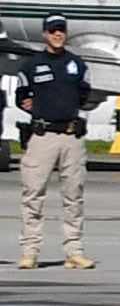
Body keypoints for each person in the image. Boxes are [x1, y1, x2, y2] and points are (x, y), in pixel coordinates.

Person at [19, 15, 93, 270]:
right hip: (43, 135)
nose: (57, 35)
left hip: (71, 135)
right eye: (52, 31)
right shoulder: (32, 65)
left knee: (73, 195)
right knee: (33, 194)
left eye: (61, 30)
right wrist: (33, 107)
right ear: (44, 34)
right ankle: (30, 251)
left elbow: (85, 94)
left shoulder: (76, 64)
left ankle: (74, 250)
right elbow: (22, 96)